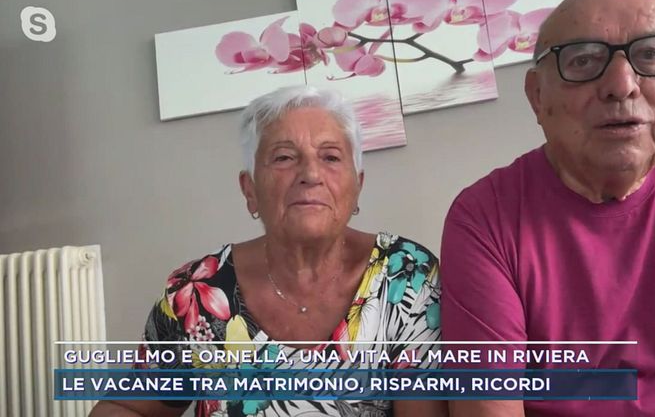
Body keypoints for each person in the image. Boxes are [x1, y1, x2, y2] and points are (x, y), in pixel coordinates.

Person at [440, 0, 655, 416]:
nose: (621, 85)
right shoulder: (485, 219)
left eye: (651, 55)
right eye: (583, 60)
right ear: (537, 96)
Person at [91, 85, 444, 417]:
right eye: (284, 157)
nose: (310, 174)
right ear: (250, 190)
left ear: (358, 186)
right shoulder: (197, 294)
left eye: (331, 157)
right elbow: (126, 406)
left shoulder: (407, 277)